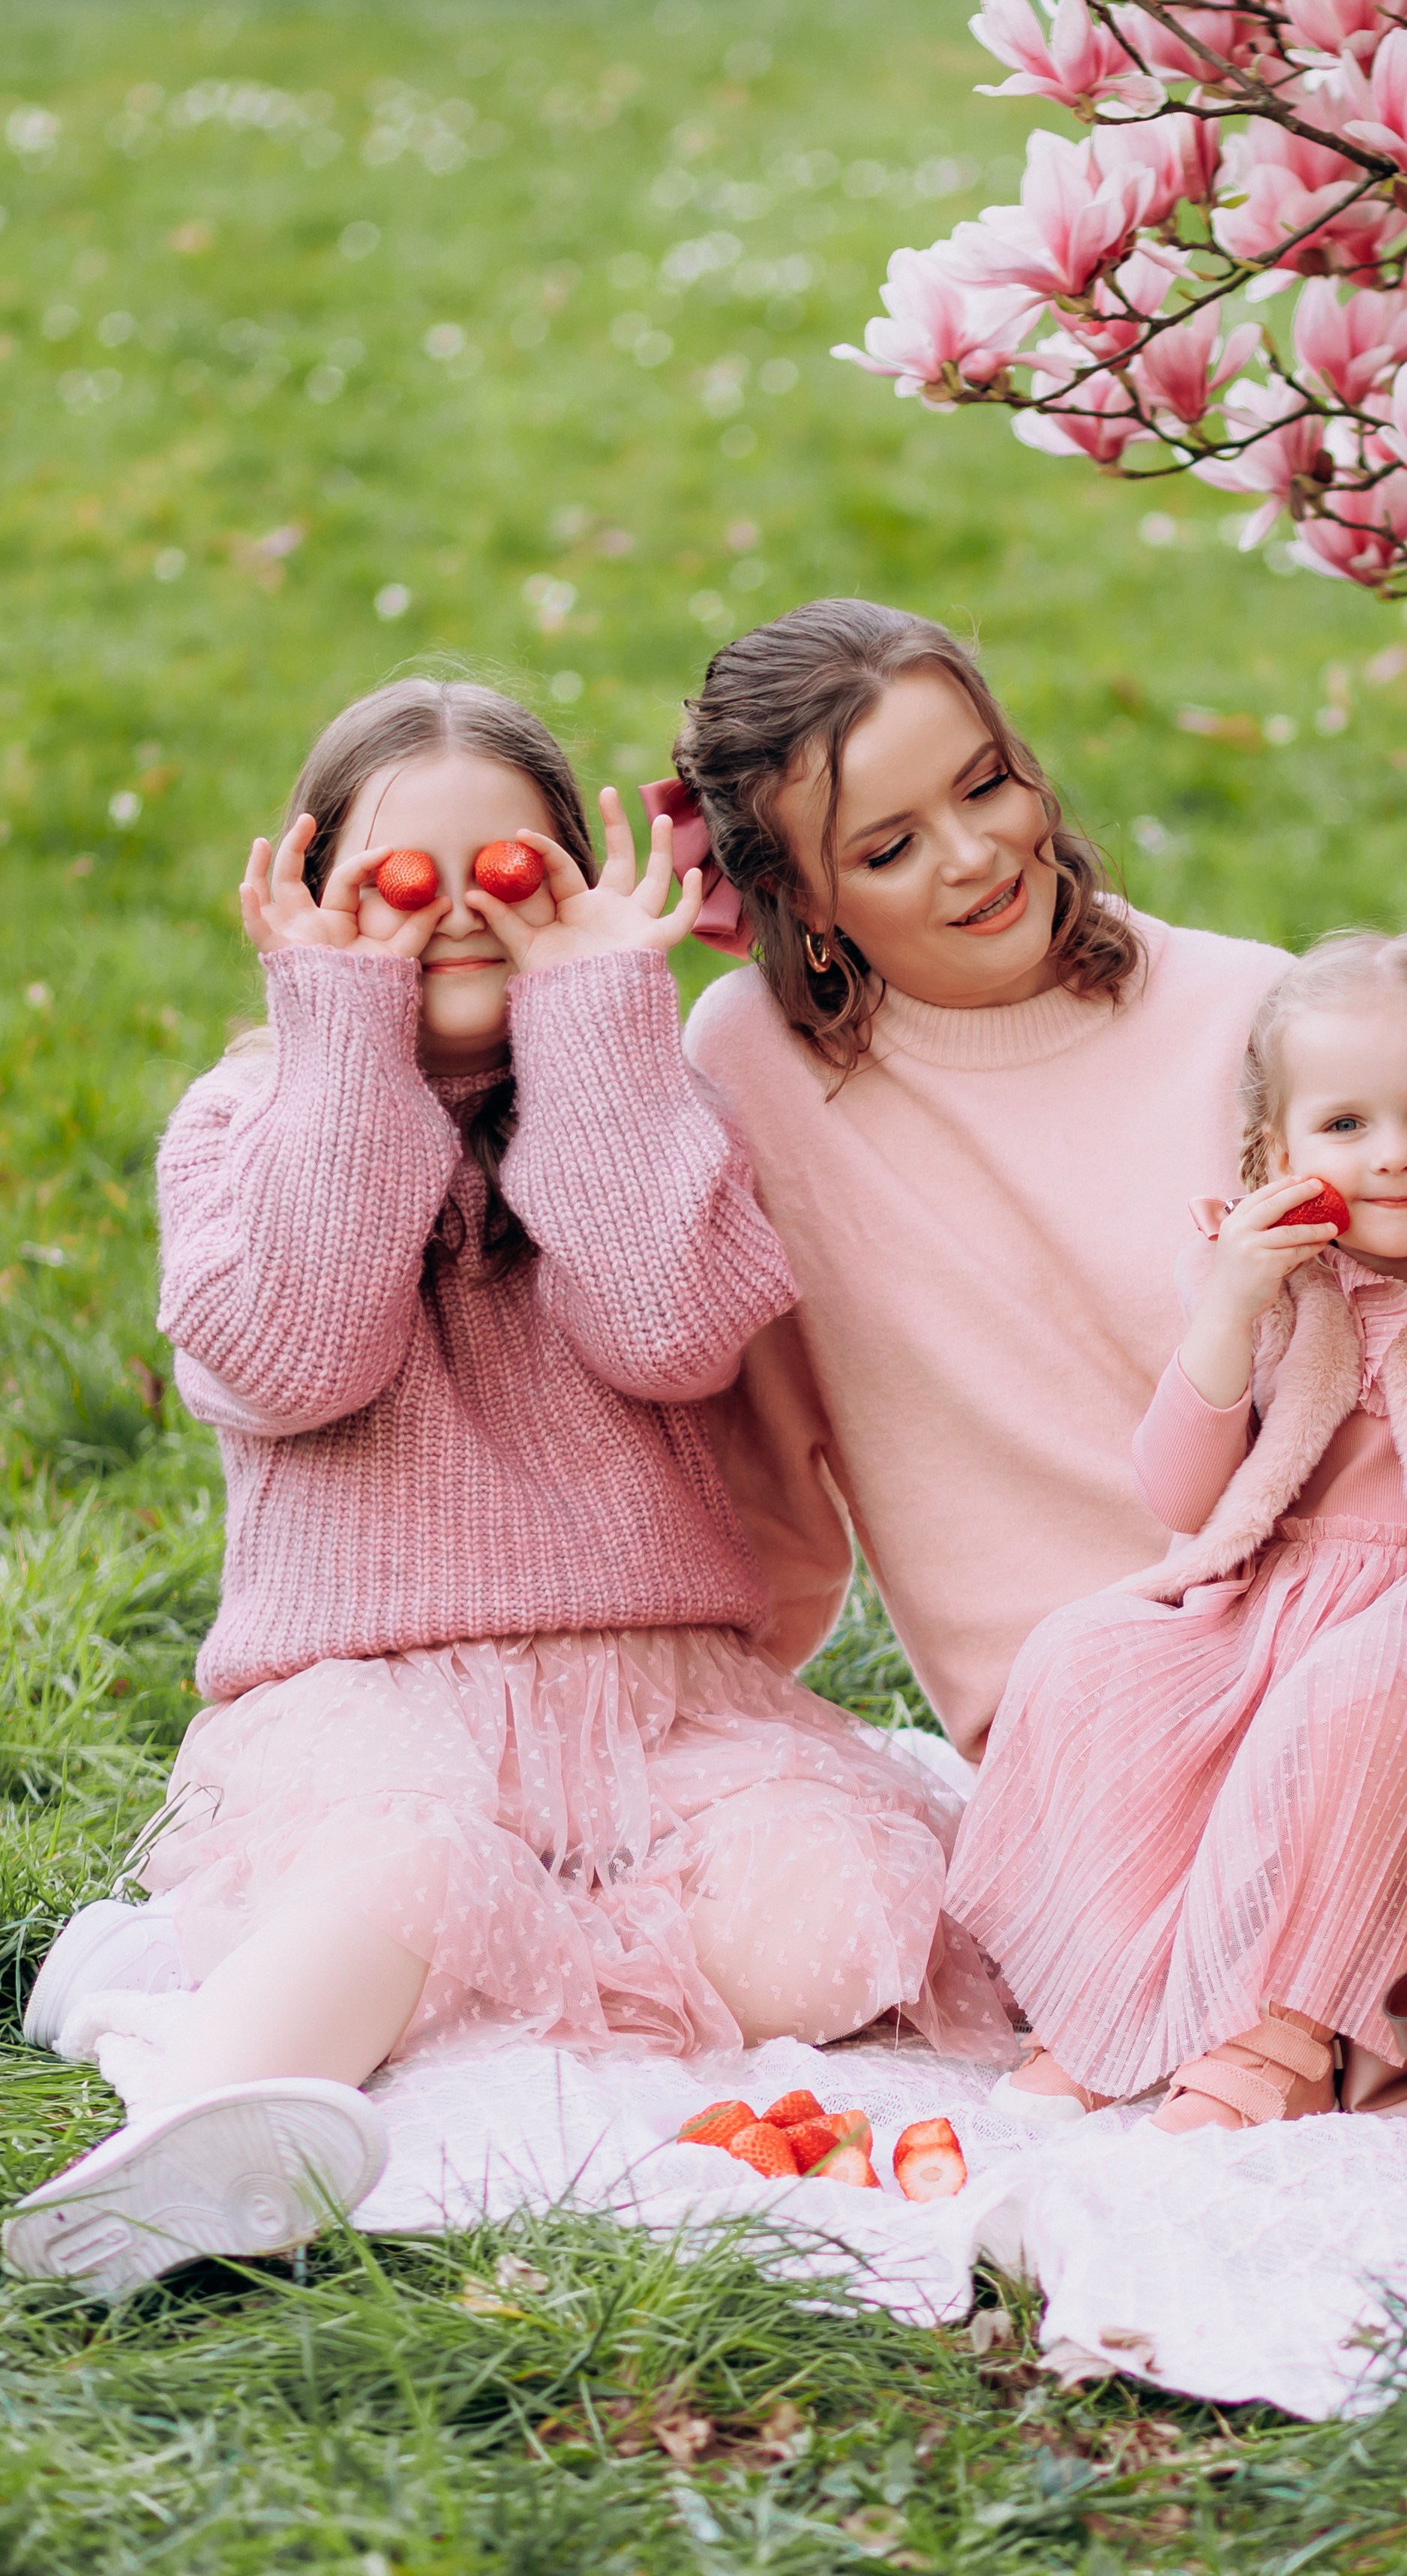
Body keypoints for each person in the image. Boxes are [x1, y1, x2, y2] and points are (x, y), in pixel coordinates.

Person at [9, 678, 1004, 2301]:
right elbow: (296, 1355)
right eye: (407, 880)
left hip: (659, 1705)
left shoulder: (652, 1105)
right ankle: (195, 2131)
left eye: (519, 874)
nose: (464, 910)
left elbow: (672, 1334)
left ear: (584, 888)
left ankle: (328, 1989)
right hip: (370, 1703)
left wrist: (598, 1022)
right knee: (414, 1873)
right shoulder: (244, 1117)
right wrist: (343, 1031)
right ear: (320, 889)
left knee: (845, 1922)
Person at [673, 601, 1407, 1768]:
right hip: (1088, 1703)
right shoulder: (753, 1068)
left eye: (985, 786)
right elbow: (753, 1458)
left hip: (1377, 1637)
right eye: (888, 848)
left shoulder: (1255, 1017)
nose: (974, 855)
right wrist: (694, 1720)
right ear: (802, 901)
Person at [946, 930, 1407, 2132]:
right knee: (1091, 1663)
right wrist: (1228, 1306)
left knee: (1348, 1707)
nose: (1391, 1158)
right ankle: (1107, 1999)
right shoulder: (1272, 1279)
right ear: (1278, 1152)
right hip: (1275, 1589)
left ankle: (1273, 2032)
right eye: (1345, 1128)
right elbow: (1184, 1501)